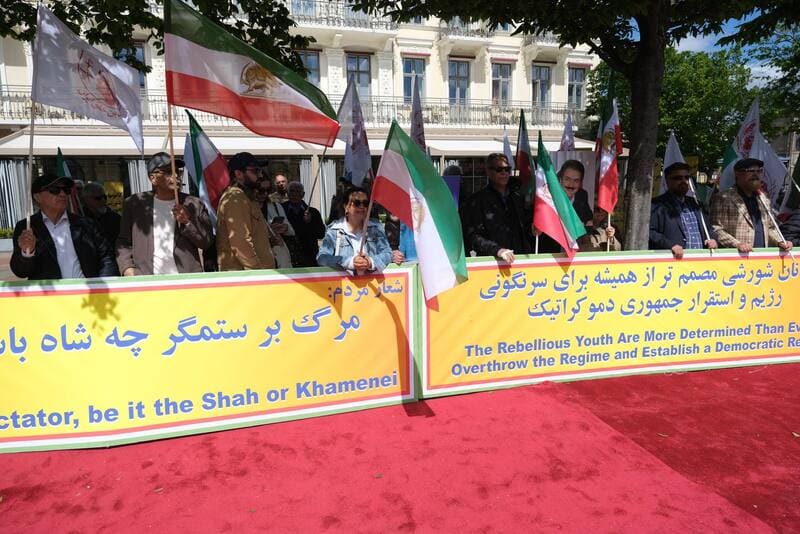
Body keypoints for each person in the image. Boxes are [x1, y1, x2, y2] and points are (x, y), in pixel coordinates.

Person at [116, 152, 213, 276]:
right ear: (153, 178)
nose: (176, 175)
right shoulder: (135, 204)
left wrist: (187, 222)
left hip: (186, 278)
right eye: (168, 172)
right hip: (147, 278)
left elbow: (206, 243)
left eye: (178, 171)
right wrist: (127, 268)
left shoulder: (194, 204)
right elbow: (123, 241)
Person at [11, 173, 117, 280]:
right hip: (49, 290)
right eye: (54, 190)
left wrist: (102, 285)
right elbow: (20, 271)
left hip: (88, 289)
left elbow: (107, 258)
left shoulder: (86, 224)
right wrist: (27, 253)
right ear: (37, 197)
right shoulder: (27, 227)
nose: (62, 194)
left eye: (66, 190)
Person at [461, 153, 533, 263]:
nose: (504, 173)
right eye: (499, 169)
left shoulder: (518, 198)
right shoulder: (476, 201)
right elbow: (472, 236)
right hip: (492, 262)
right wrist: (497, 250)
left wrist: (533, 229)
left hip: (518, 260)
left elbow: (526, 228)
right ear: (489, 172)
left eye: (507, 169)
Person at [710, 158, 792, 254]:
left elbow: (770, 228)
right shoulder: (723, 198)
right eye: (751, 171)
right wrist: (737, 244)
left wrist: (780, 241)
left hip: (761, 257)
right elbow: (716, 229)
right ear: (737, 173)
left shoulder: (764, 198)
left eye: (759, 171)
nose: (756, 174)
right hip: (737, 257)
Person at [216, 152, 276, 271]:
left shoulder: (246, 196)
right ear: (238, 174)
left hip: (255, 274)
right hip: (247, 276)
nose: (260, 175)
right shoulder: (235, 197)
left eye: (260, 171)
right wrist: (257, 272)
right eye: (255, 171)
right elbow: (240, 242)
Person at [649, 162, 718, 259]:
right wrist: (670, 245)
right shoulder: (657, 205)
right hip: (674, 261)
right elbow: (650, 232)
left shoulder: (696, 204)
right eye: (678, 178)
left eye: (686, 178)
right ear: (667, 181)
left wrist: (712, 239)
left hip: (701, 261)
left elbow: (709, 229)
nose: (683, 181)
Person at [317, 187, 392, 274]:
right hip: (345, 282)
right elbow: (322, 258)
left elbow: (388, 254)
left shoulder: (376, 227)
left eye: (365, 203)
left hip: (372, 282)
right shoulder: (335, 230)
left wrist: (370, 262)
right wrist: (349, 262)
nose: (362, 206)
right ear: (346, 207)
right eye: (357, 203)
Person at [255, 175, 295, 268]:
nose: (265, 193)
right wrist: (268, 236)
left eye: (268, 190)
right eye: (261, 190)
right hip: (259, 258)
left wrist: (285, 228)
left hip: (279, 255)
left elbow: (291, 231)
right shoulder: (248, 207)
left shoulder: (276, 206)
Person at [283, 181, 325, 267]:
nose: (294, 194)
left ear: (303, 194)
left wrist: (310, 223)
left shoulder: (313, 212)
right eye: (292, 191)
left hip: (309, 257)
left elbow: (321, 234)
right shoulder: (281, 209)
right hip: (288, 256)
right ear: (287, 193)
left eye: (298, 191)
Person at [81, 182, 121, 246]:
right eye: (98, 198)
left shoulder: (115, 218)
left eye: (104, 197)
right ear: (86, 199)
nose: (103, 200)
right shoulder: (81, 220)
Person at [557, 160, 593, 225]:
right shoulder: (550, 197)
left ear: (581, 183)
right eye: (567, 179)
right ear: (560, 180)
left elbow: (588, 218)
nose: (571, 184)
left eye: (576, 181)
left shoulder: (582, 195)